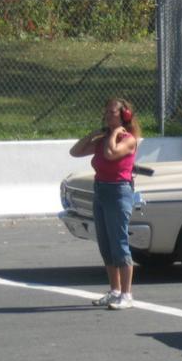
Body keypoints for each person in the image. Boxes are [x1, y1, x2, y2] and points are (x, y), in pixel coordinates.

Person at [69, 98, 141, 310]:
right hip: (101, 190)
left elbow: (111, 154)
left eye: (113, 113)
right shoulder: (103, 139)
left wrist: (115, 133)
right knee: (105, 243)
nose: (108, 116)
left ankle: (127, 294)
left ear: (124, 116)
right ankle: (114, 290)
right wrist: (93, 135)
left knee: (119, 242)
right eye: (106, 113)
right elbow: (76, 151)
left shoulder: (128, 139)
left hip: (119, 191)